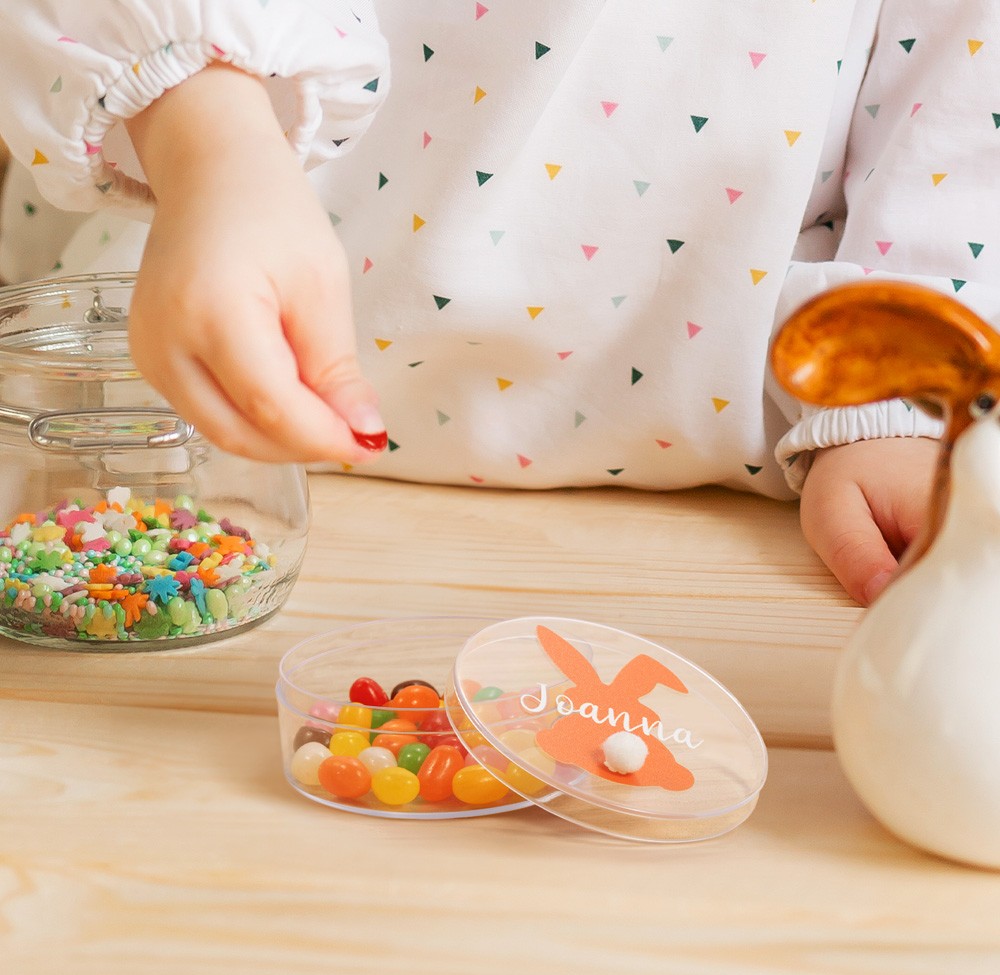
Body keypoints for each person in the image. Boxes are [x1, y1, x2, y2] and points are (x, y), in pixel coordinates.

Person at [1, 1, 996, 606]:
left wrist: (900, 389)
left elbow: (963, 69)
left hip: (750, 445)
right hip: (170, 407)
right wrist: (208, 134)